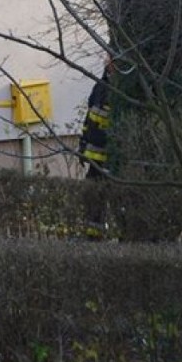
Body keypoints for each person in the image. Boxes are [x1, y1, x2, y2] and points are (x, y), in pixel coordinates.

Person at [77, 57, 113, 239]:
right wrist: (82, 145)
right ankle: (93, 235)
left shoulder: (119, 92)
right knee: (92, 195)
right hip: (94, 156)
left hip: (111, 157)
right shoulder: (100, 87)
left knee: (114, 197)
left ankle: (115, 233)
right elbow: (89, 119)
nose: (107, 64)